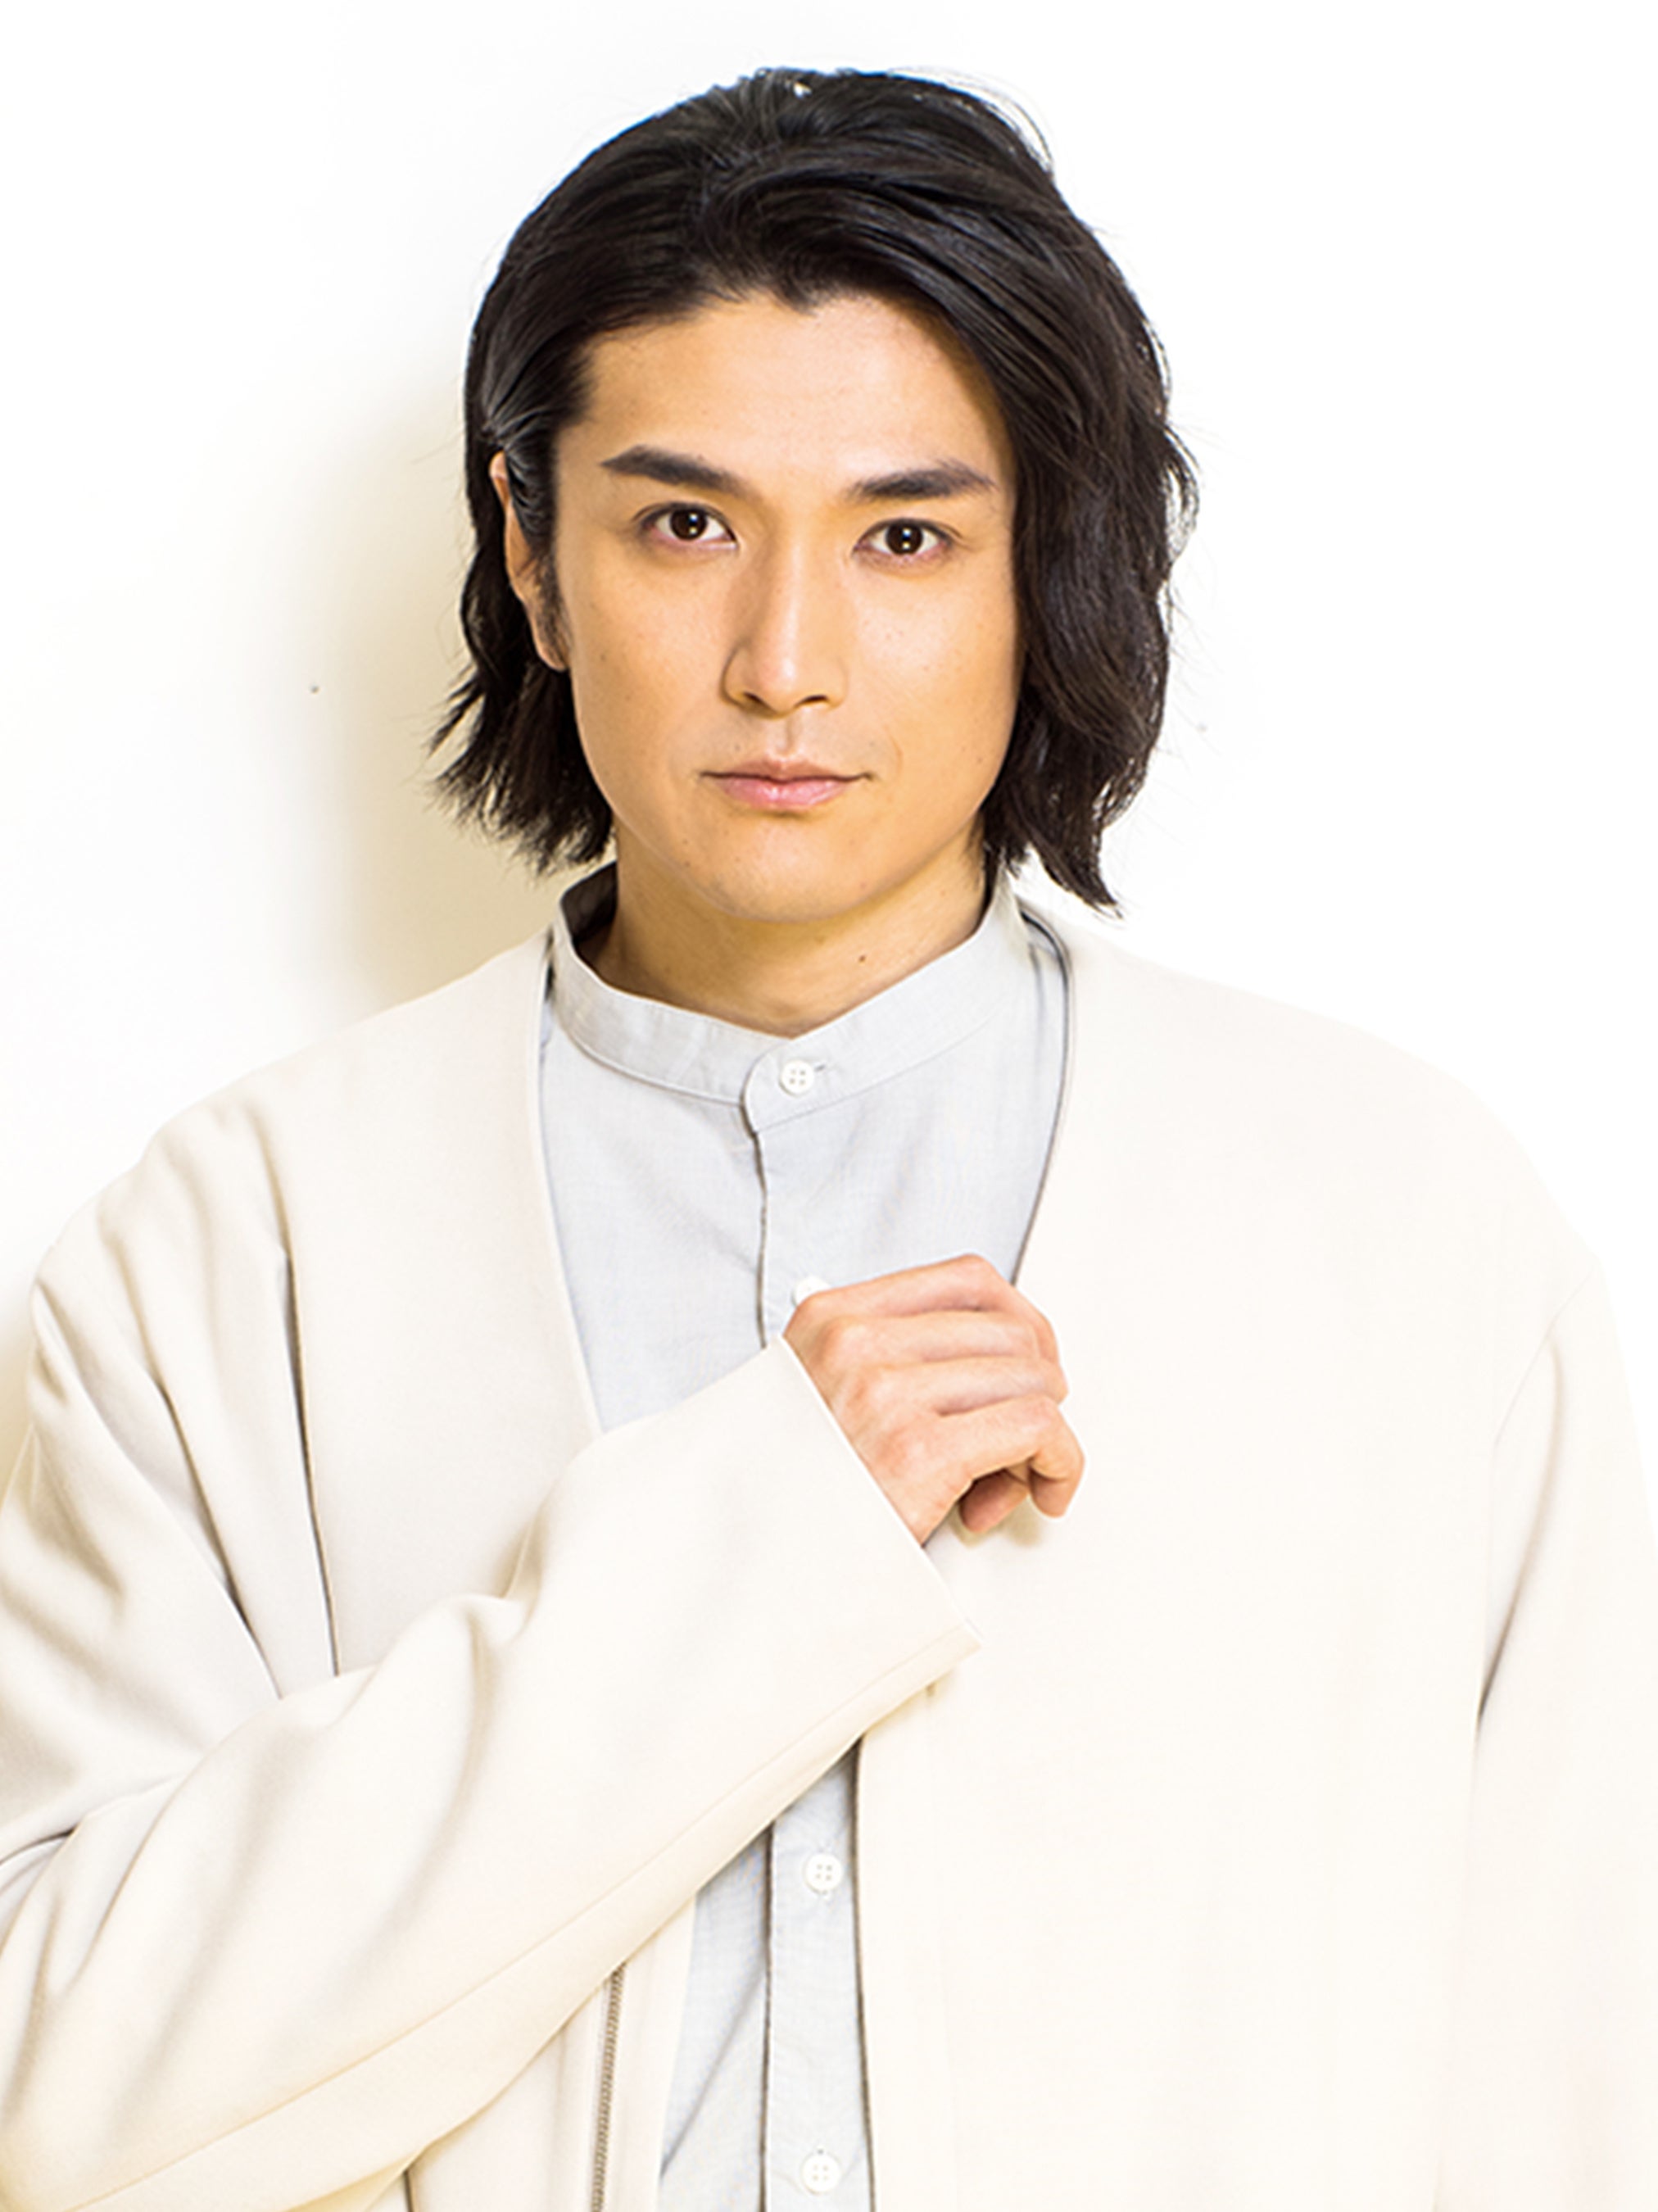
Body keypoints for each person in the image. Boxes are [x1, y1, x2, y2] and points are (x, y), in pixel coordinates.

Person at [0, 63, 1653, 2212]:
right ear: (532, 551)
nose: (785, 663)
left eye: (904, 537)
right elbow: (57, 2084)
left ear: (1042, 565)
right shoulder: (230, 1254)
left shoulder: (1402, 1230)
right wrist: (762, 1536)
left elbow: (1564, 2080)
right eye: (685, 526)